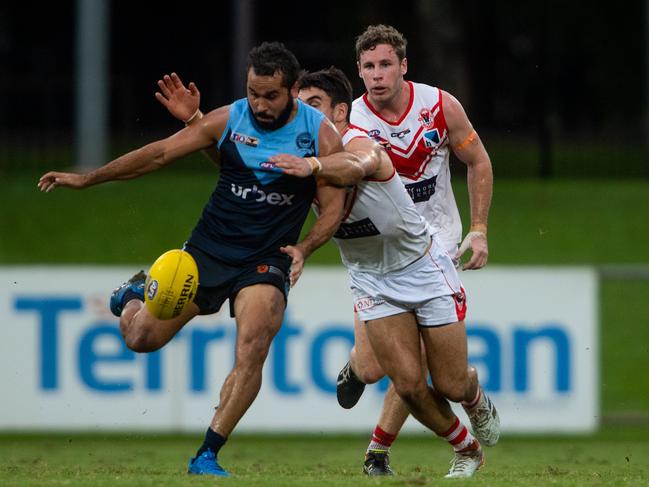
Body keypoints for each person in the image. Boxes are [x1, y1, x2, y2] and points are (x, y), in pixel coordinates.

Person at [160, 66, 487, 478]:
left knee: (452, 384)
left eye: (315, 105)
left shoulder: (357, 143)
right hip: (371, 277)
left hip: (422, 266)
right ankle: (466, 449)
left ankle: (473, 398)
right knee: (403, 382)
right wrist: (195, 120)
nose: (305, 114)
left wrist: (313, 166)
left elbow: (358, 165)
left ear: (341, 112)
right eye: (302, 106)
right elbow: (235, 164)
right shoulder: (297, 151)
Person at [37, 42, 347, 477]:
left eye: (271, 95)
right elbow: (159, 154)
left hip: (266, 259)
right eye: (253, 92)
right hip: (206, 253)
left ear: (294, 89)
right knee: (140, 339)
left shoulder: (320, 135)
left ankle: (207, 454)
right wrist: (88, 179)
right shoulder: (229, 118)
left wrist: (305, 248)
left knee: (255, 342)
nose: (259, 104)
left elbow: (333, 207)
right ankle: (130, 295)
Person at [333, 24, 499, 474]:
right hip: (380, 253)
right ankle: (354, 366)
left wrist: (479, 228)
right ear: (359, 72)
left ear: (404, 66)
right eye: (368, 66)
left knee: (428, 370)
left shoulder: (439, 106)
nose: (377, 75)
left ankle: (382, 451)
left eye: (386, 64)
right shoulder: (351, 125)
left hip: (437, 247)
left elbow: (478, 159)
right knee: (371, 368)